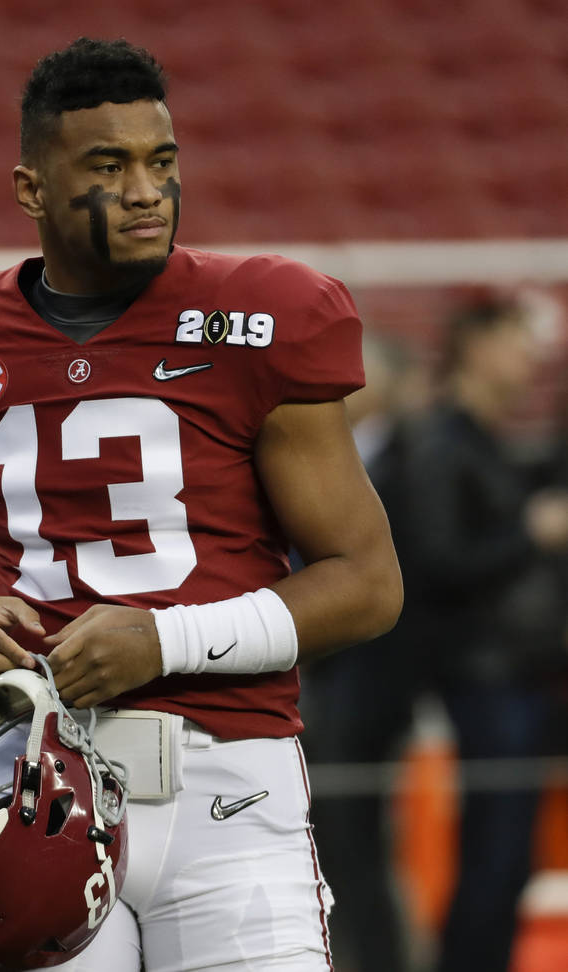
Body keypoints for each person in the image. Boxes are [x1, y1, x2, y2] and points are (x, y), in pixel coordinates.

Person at [0, 37, 402, 971]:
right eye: (108, 166)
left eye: (162, 162)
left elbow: (367, 586)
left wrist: (164, 642)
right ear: (33, 188)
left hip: (227, 789)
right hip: (36, 786)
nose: (147, 190)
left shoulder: (257, 317)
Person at [399, 295, 568, 972]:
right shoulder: (443, 443)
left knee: (511, 852)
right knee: (494, 853)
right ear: (474, 347)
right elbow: (437, 563)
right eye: (514, 342)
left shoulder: (486, 440)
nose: (530, 357)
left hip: (520, 674)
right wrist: (530, 531)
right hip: (484, 676)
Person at [298, 334, 428, 972]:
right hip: (317, 686)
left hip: (368, 689)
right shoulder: (308, 459)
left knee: (358, 848)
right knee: (323, 847)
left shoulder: (413, 457)